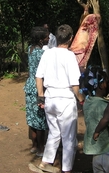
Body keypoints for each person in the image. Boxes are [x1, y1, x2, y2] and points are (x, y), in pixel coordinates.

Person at [35, 24, 84, 173]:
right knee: (68, 137)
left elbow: (39, 76)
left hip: (50, 98)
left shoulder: (48, 53)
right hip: (65, 99)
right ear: (70, 38)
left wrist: (41, 97)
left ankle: (45, 162)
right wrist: (81, 99)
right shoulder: (70, 56)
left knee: (54, 132)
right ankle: (66, 168)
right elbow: (75, 84)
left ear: (55, 38)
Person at [81, 66, 109, 173]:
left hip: (96, 155)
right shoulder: (105, 106)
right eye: (107, 82)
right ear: (102, 85)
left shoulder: (87, 103)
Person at [23, 26, 50, 157]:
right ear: (40, 39)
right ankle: (41, 147)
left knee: (32, 117)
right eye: (46, 37)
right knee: (40, 119)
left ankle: (34, 145)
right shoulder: (42, 53)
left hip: (29, 85)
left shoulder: (30, 49)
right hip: (38, 87)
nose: (49, 38)